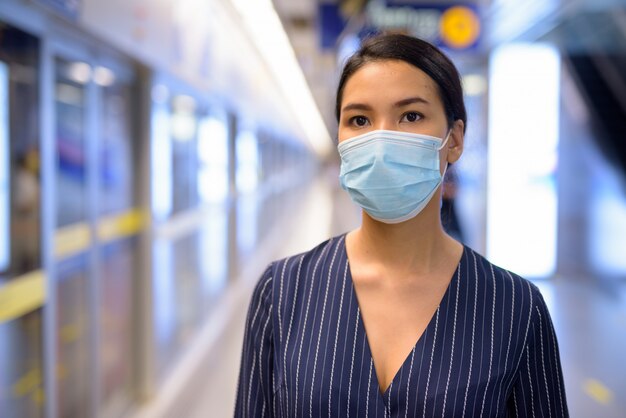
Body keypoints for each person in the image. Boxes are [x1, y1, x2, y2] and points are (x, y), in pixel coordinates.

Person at [234, 34, 568, 417]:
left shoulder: (514, 307)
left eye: (411, 116)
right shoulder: (283, 291)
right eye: (359, 119)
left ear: (454, 140)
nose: (380, 139)